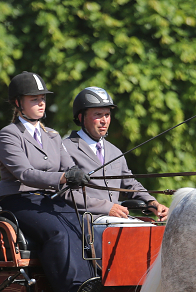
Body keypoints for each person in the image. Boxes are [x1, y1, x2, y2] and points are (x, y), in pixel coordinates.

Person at [0, 71, 93, 292]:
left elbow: (68, 165)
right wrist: (63, 177)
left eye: (43, 99)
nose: (41, 103)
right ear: (18, 104)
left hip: (47, 199)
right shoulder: (9, 135)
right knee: (57, 231)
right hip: (18, 200)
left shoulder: (52, 135)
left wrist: (77, 175)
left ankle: (92, 285)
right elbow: (25, 174)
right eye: (33, 99)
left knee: (82, 224)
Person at [64, 87, 168, 219]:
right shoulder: (66, 148)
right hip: (84, 221)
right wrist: (107, 208)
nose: (104, 121)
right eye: (98, 115)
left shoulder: (114, 151)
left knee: (152, 232)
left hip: (116, 219)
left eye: (107, 115)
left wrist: (152, 203)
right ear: (81, 117)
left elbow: (130, 183)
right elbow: (66, 193)